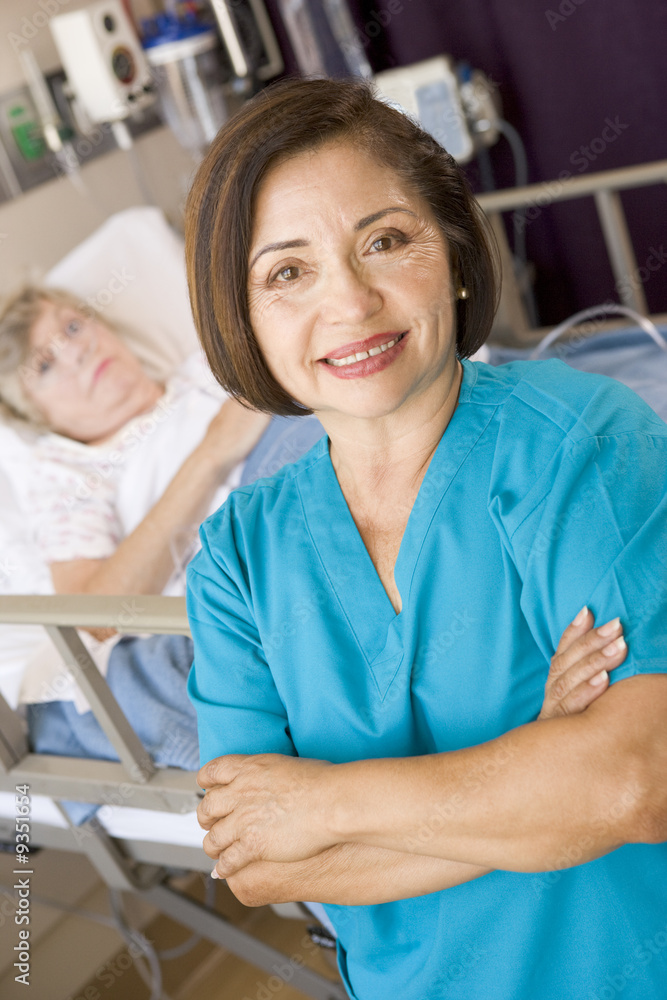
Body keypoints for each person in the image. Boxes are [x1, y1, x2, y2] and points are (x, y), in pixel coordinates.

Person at [184, 78, 667, 999]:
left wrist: (320, 804)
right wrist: (536, 762)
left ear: (450, 251)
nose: (352, 302)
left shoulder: (579, 442)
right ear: (242, 317)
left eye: (384, 240)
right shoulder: (238, 559)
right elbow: (260, 865)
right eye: (288, 272)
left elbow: (634, 783)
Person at [0, 285, 323, 774]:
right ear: (35, 415)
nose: (77, 350)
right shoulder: (70, 477)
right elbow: (92, 614)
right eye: (44, 366)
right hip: (278, 548)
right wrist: (214, 452)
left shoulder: (202, 371)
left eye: (72, 325)